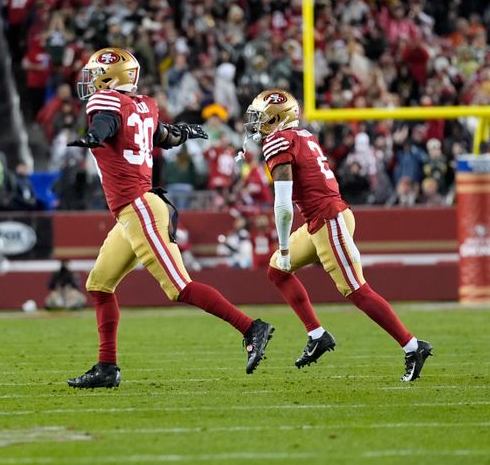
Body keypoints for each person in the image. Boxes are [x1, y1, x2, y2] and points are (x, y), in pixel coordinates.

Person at [65, 48, 274, 389]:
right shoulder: (143, 106)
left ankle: (251, 328)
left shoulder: (106, 107)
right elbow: (165, 135)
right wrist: (184, 132)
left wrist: (94, 137)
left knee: (179, 287)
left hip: (140, 208)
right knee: (99, 285)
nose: (89, 82)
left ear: (109, 78)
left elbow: (107, 123)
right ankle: (107, 367)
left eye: (94, 74)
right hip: (133, 212)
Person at [243, 89, 432, 382]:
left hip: (328, 220)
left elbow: (282, 207)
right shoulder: (302, 135)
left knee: (356, 289)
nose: (257, 124)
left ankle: (413, 346)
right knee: (277, 272)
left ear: (279, 119)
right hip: (322, 220)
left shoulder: (279, 141)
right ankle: (317, 335)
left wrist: (283, 246)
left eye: (263, 118)